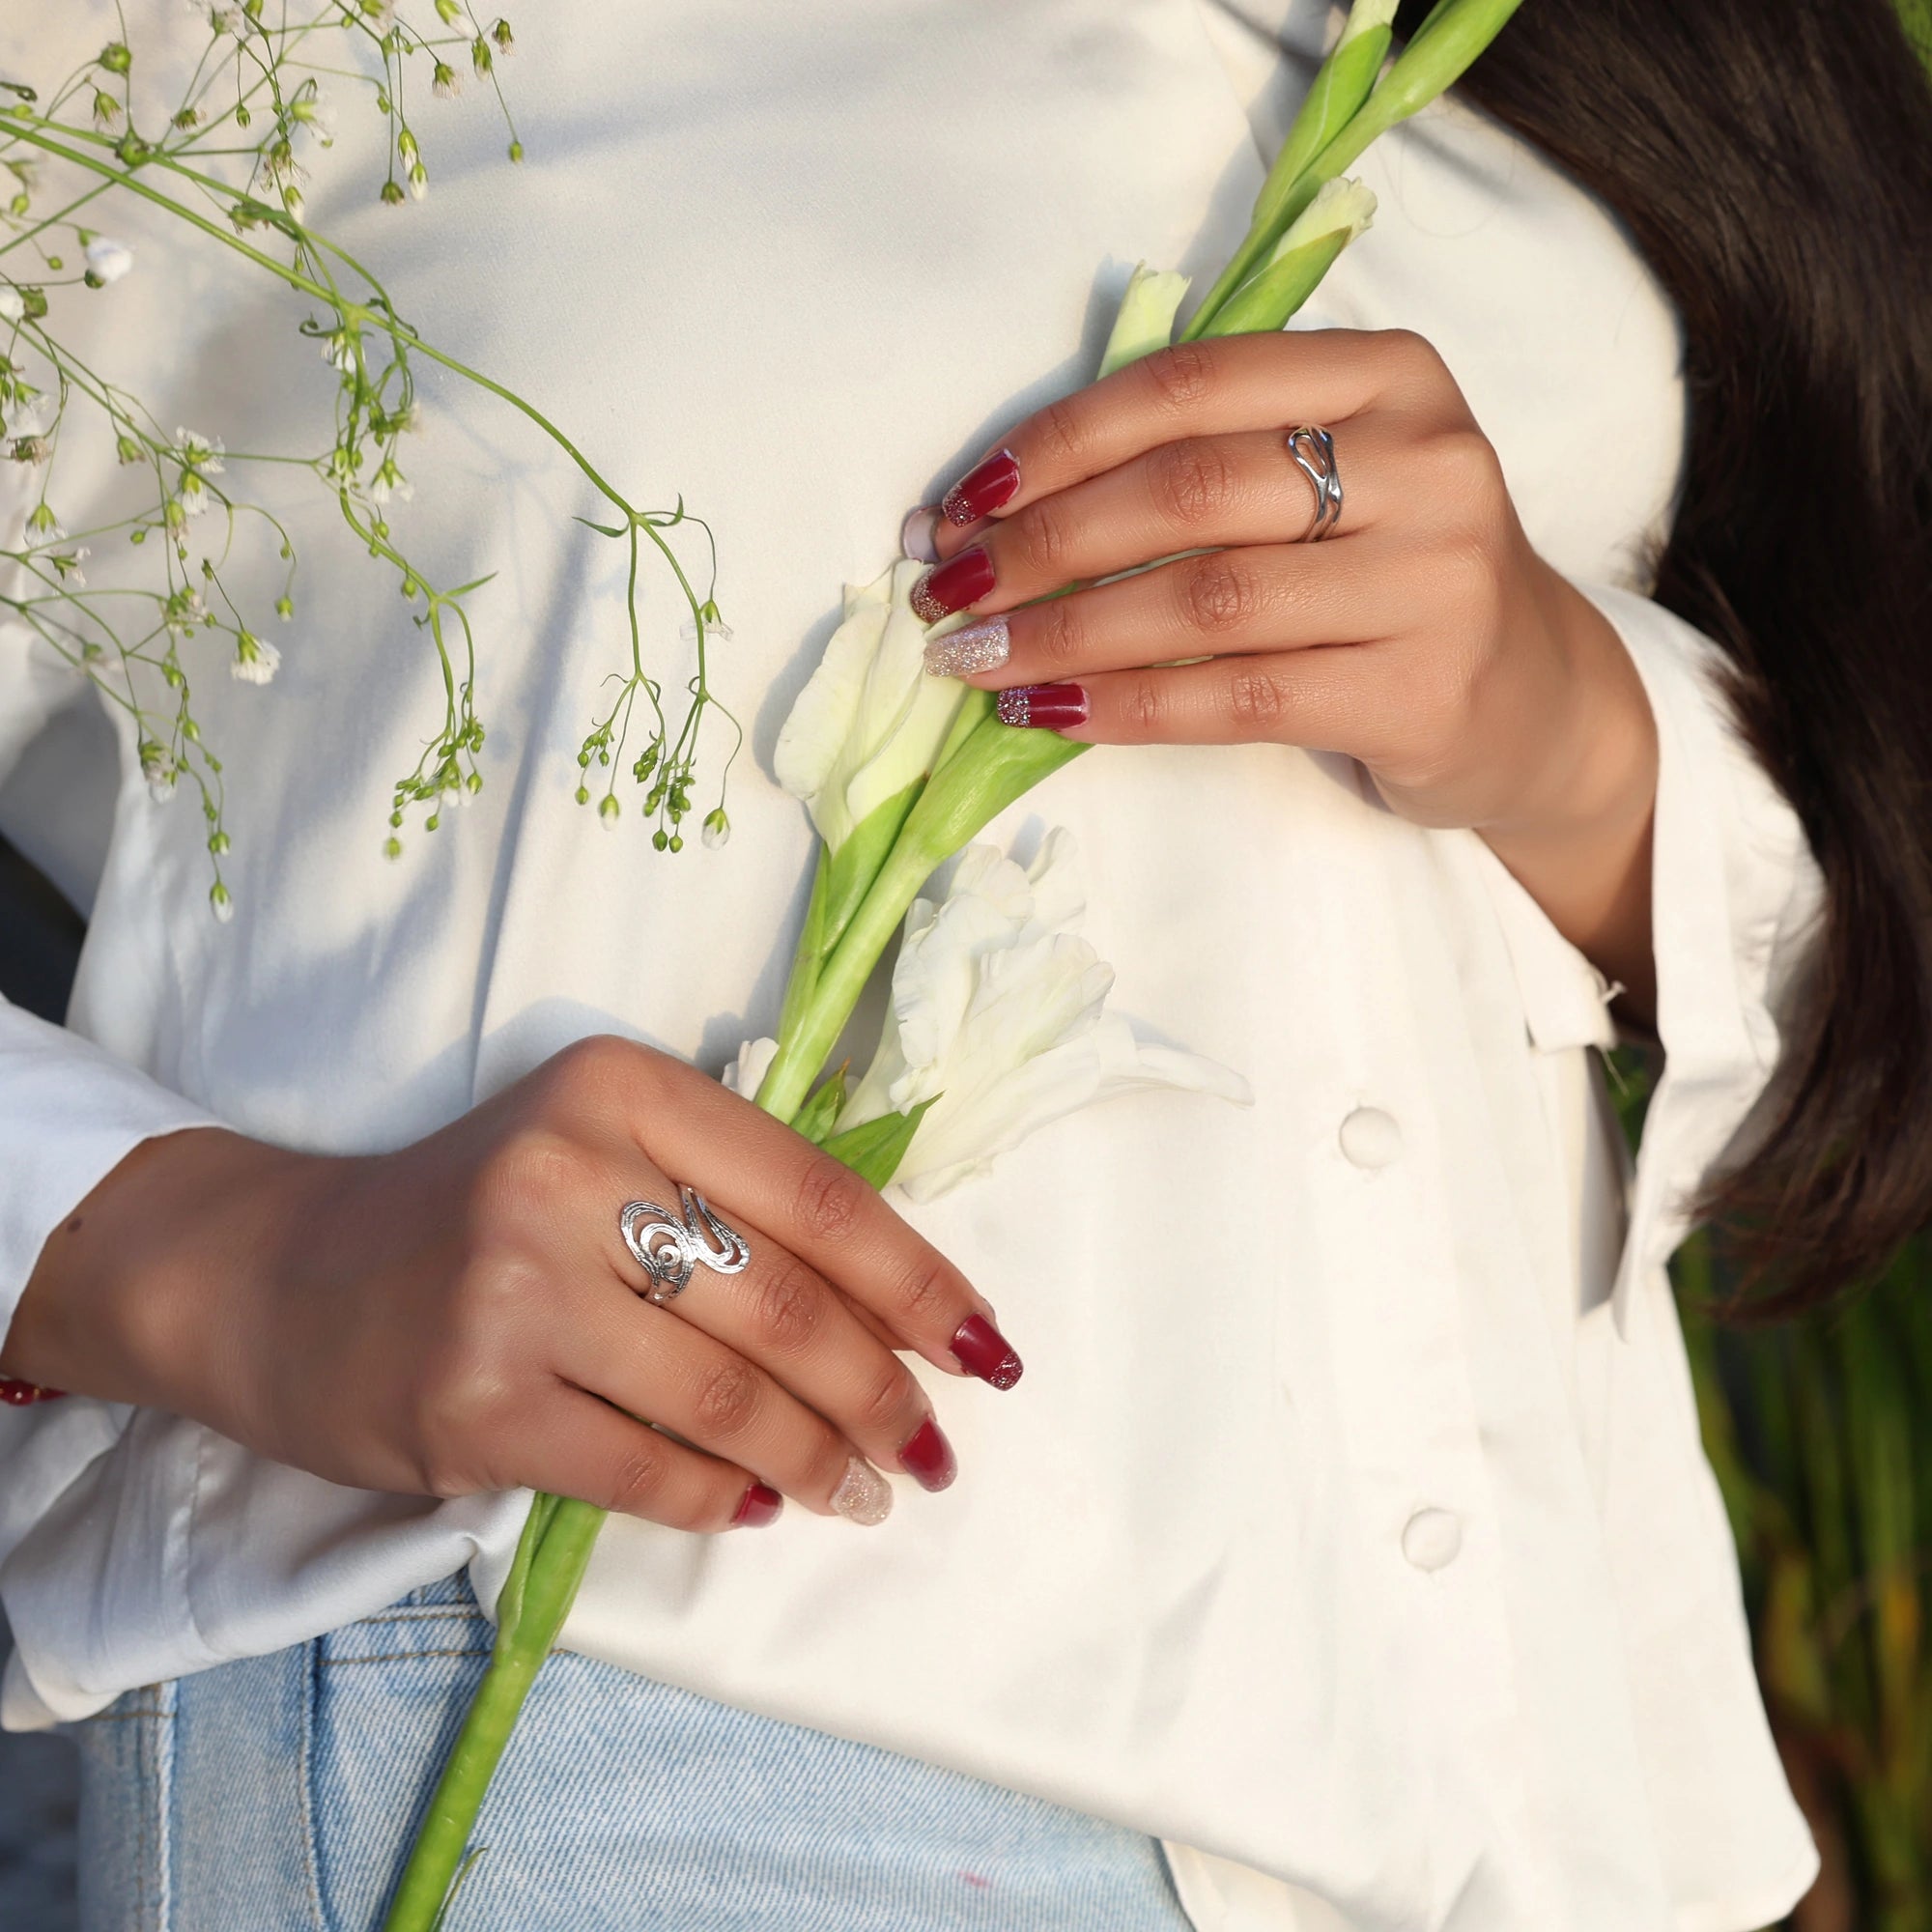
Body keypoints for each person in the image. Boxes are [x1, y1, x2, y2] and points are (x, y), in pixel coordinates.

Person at [2, 1, 1928, 1926]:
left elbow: (1849, 897)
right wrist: (188, 1252)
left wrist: (1567, 730)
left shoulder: (1652, 78)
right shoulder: (244, 45)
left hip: (1543, 1818)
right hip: (648, 1725)